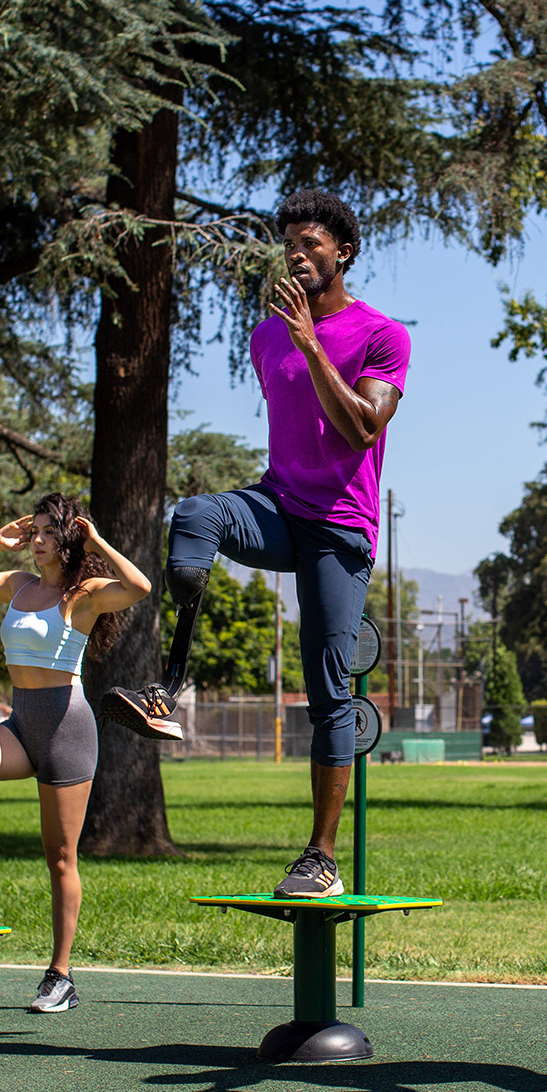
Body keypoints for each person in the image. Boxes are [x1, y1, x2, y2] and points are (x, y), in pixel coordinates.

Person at [101, 188, 408, 898]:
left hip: (340, 527)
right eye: (289, 245)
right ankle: (166, 690)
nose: (296, 255)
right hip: (277, 506)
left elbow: (363, 428)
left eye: (310, 244)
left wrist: (311, 343)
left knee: (328, 692)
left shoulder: (382, 335)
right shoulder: (265, 336)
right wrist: (293, 338)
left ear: (343, 253)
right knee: (195, 516)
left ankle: (320, 858)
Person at [0, 493, 152, 1012]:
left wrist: (97, 542)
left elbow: (139, 587)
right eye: (34, 531)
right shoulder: (19, 585)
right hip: (22, 724)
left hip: (68, 730)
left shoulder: (83, 595)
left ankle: (60, 976)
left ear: (68, 539)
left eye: (47, 532)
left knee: (60, 858)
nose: (37, 540)